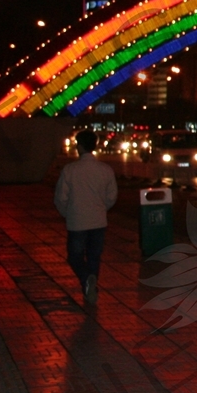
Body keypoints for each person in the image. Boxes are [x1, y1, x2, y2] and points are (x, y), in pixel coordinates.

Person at [53, 129, 119, 303]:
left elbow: (61, 197)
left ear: (79, 146)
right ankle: (91, 289)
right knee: (94, 256)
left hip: (77, 221)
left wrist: (67, 213)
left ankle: (86, 280)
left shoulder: (70, 170)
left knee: (75, 256)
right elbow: (112, 196)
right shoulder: (105, 169)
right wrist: (102, 208)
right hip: (98, 220)